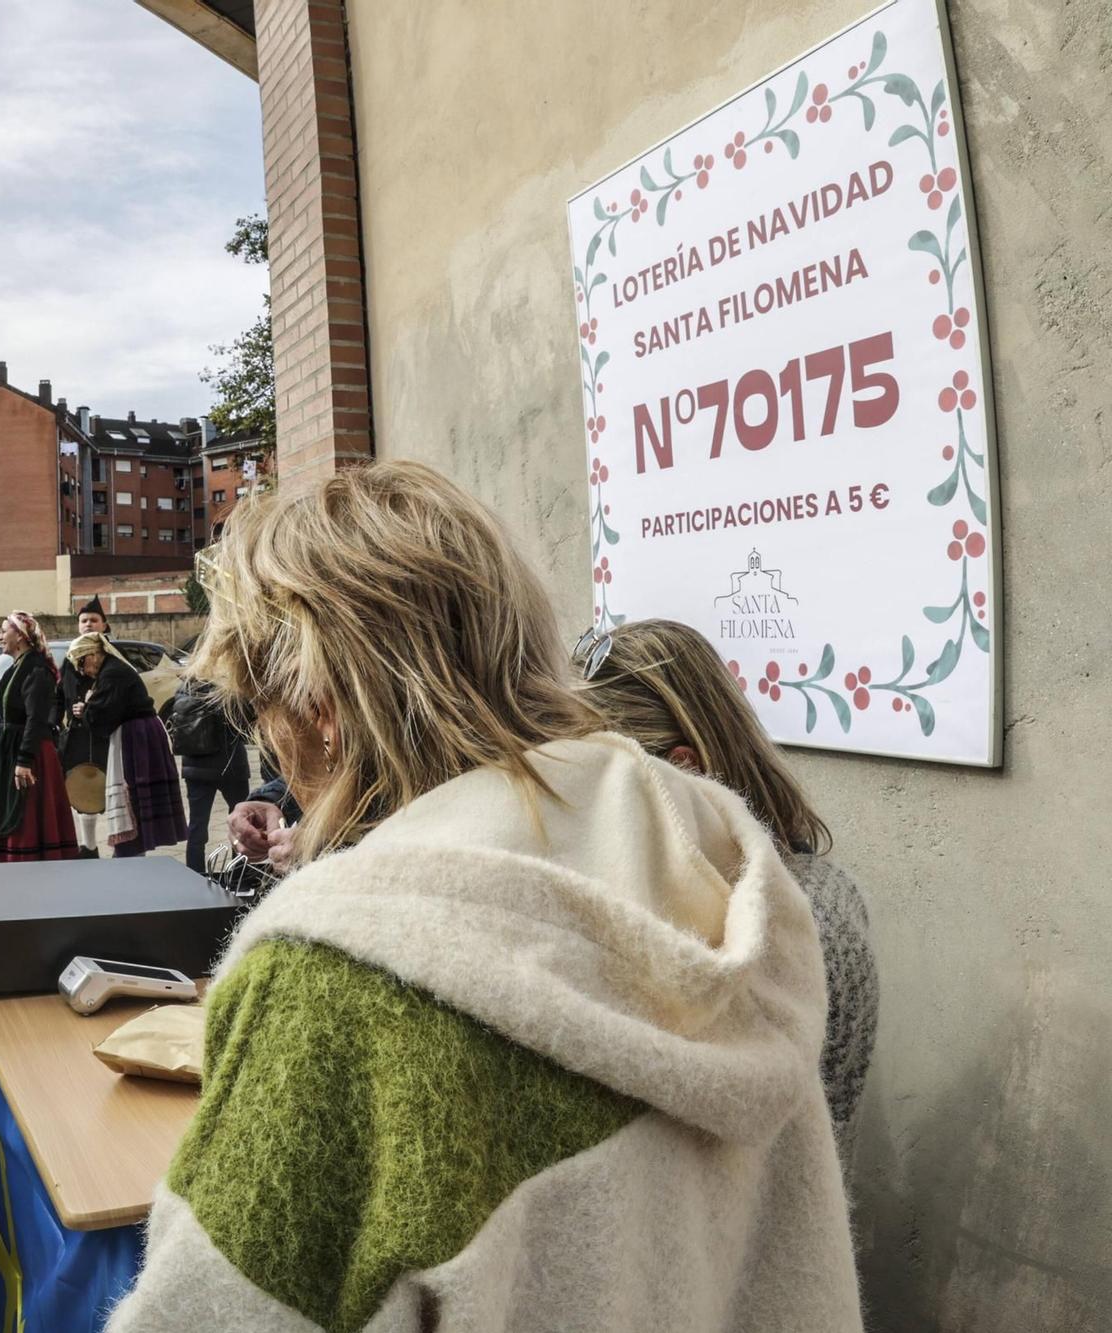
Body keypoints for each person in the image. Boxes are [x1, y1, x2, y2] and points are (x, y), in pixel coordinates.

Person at [108, 461, 860, 1332]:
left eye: (260, 703)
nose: (268, 742)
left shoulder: (334, 978)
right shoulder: (722, 870)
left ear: (319, 703)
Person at [580, 617, 879, 1171]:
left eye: (595, 783)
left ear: (681, 771)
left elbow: (781, 1163)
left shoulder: (804, 925)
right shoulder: (666, 892)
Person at [65, 632, 186, 858]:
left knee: (132, 794)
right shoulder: (112, 670)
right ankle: (133, 851)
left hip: (136, 737)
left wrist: (86, 709)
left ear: (92, 655)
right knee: (136, 798)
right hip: (139, 733)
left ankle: (130, 851)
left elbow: (103, 714)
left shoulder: (112, 674)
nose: (82, 671)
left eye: (81, 663)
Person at [0, 612, 81, 863]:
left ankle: (27, 866)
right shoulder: (17, 666)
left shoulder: (36, 669)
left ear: (21, 636)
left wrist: (24, 761)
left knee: (27, 813)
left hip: (29, 754)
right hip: (11, 750)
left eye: (4, 630)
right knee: (12, 809)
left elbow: (36, 718)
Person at [161, 678, 250, 874]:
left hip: (196, 767)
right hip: (231, 765)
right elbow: (246, 721)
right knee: (241, 822)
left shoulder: (184, 688)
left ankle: (195, 874)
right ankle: (239, 873)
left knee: (197, 825)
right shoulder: (227, 687)